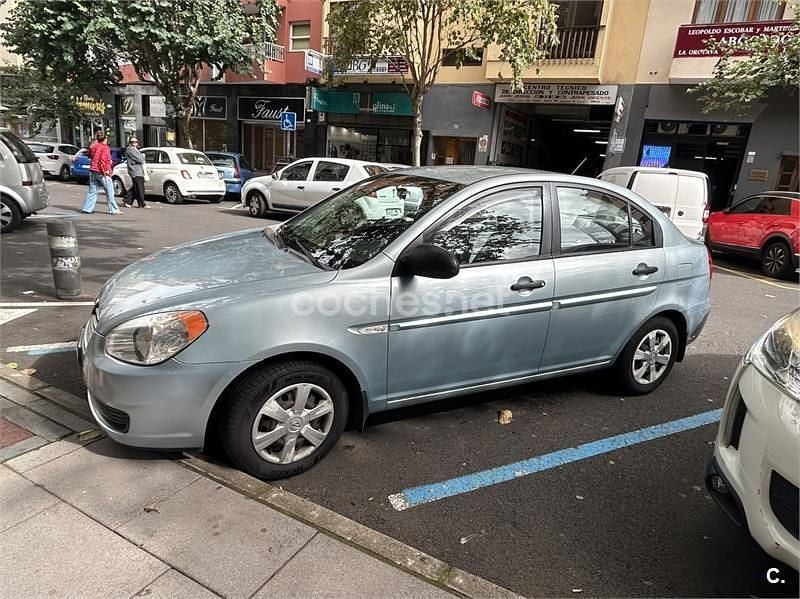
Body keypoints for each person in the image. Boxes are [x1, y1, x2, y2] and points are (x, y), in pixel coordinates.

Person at [81, 130, 121, 215]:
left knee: (92, 191)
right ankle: (113, 209)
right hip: (102, 172)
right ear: (105, 139)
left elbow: (89, 155)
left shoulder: (93, 146)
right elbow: (103, 160)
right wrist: (107, 171)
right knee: (109, 191)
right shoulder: (105, 147)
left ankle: (87, 208)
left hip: (93, 170)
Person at [124, 136, 149, 209]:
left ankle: (127, 200)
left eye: (135, 142)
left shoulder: (136, 150)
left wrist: (141, 158)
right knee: (139, 188)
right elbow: (140, 159)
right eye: (132, 142)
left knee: (136, 188)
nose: (134, 143)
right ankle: (141, 204)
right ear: (130, 143)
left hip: (139, 171)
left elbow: (140, 159)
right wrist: (142, 157)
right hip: (135, 171)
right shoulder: (130, 150)